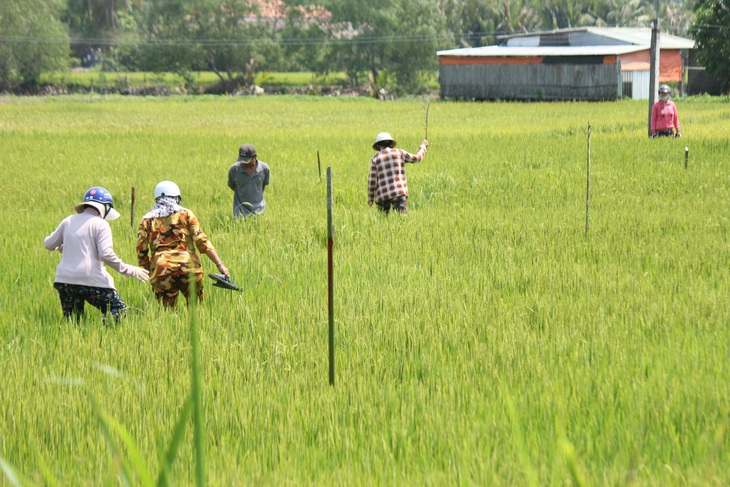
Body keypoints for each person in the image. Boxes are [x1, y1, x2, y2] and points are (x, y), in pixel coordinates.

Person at [44, 187, 149, 325]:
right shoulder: (101, 224)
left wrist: (63, 247)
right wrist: (129, 269)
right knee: (118, 311)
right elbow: (105, 254)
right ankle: (106, 339)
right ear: (104, 208)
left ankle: (77, 342)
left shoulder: (68, 221)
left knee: (74, 323)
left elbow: (49, 244)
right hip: (90, 280)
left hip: (64, 282)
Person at [136, 181, 230, 308]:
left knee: (167, 313)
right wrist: (220, 265)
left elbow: (141, 250)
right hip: (189, 266)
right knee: (195, 310)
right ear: (177, 198)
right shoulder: (186, 214)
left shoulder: (147, 219)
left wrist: (152, 270)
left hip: (162, 268)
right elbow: (202, 241)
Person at [367, 132, 428, 215]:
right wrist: (423, 147)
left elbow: (372, 181)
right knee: (402, 220)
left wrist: (370, 198)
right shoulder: (399, 152)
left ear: (377, 146)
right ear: (390, 143)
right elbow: (417, 158)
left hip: (382, 196)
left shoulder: (375, 159)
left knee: (383, 222)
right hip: (399, 193)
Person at [228, 143, 270, 217]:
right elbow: (232, 186)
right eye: (242, 160)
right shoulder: (234, 170)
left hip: (260, 212)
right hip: (240, 213)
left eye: (246, 161)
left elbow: (262, 187)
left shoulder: (264, 169)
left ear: (254, 157)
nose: (244, 163)